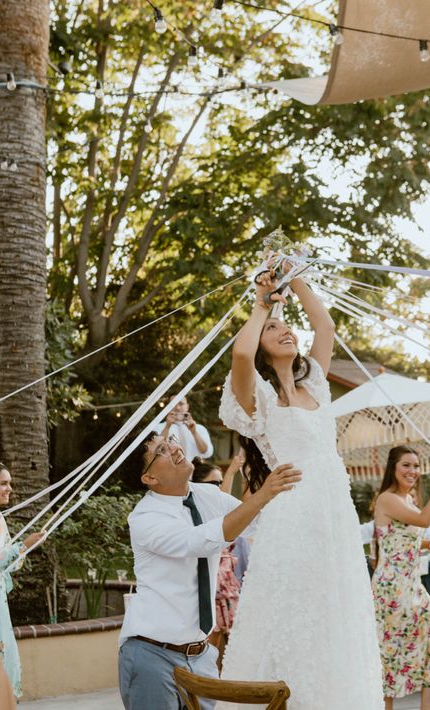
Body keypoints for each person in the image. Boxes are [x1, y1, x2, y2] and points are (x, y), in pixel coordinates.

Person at [217, 265, 384, 709]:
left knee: (334, 606)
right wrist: (260, 304)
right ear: (262, 347)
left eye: (286, 325)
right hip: (293, 513)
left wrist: (295, 276)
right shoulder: (261, 399)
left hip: (333, 514)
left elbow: (324, 325)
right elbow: (238, 358)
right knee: (291, 604)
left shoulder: (316, 386)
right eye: (274, 330)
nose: (285, 331)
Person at [118, 433, 301, 710]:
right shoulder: (145, 519)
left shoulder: (208, 495)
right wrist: (263, 494)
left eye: (170, 441)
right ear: (149, 478)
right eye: (161, 451)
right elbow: (200, 541)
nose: (175, 449)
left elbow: (254, 523)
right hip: (151, 653)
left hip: (201, 656)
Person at [372, 446, 430, 710]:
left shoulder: (409, 499)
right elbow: (423, 520)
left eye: (416, 466)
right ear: (393, 469)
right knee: (389, 653)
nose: (413, 471)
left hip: (412, 584)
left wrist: (423, 546)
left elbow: (396, 540)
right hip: (392, 587)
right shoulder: (387, 498)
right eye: (406, 465)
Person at [0, 462, 45, 700]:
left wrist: (25, 550)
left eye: (10, 483)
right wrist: (22, 545)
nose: (9, 489)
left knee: (5, 656)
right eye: (3, 483)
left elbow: (7, 564)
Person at [191, 455, 245, 670]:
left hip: (226, 580)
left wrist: (231, 472)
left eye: (219, 484)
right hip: (211, 580)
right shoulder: (197, 512)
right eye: (213, 484)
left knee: (228, 642)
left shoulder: (216, 507)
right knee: (208, 641)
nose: (218, 489)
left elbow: (224, 502)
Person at [158, 396, 214, 460]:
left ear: (187, 407)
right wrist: (167, 427)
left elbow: (206, 453)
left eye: (181, 404)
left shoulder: (200, 428)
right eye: (173, 404)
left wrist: (194, 432)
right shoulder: (158, 427)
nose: (177, 408)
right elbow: (157, 450)